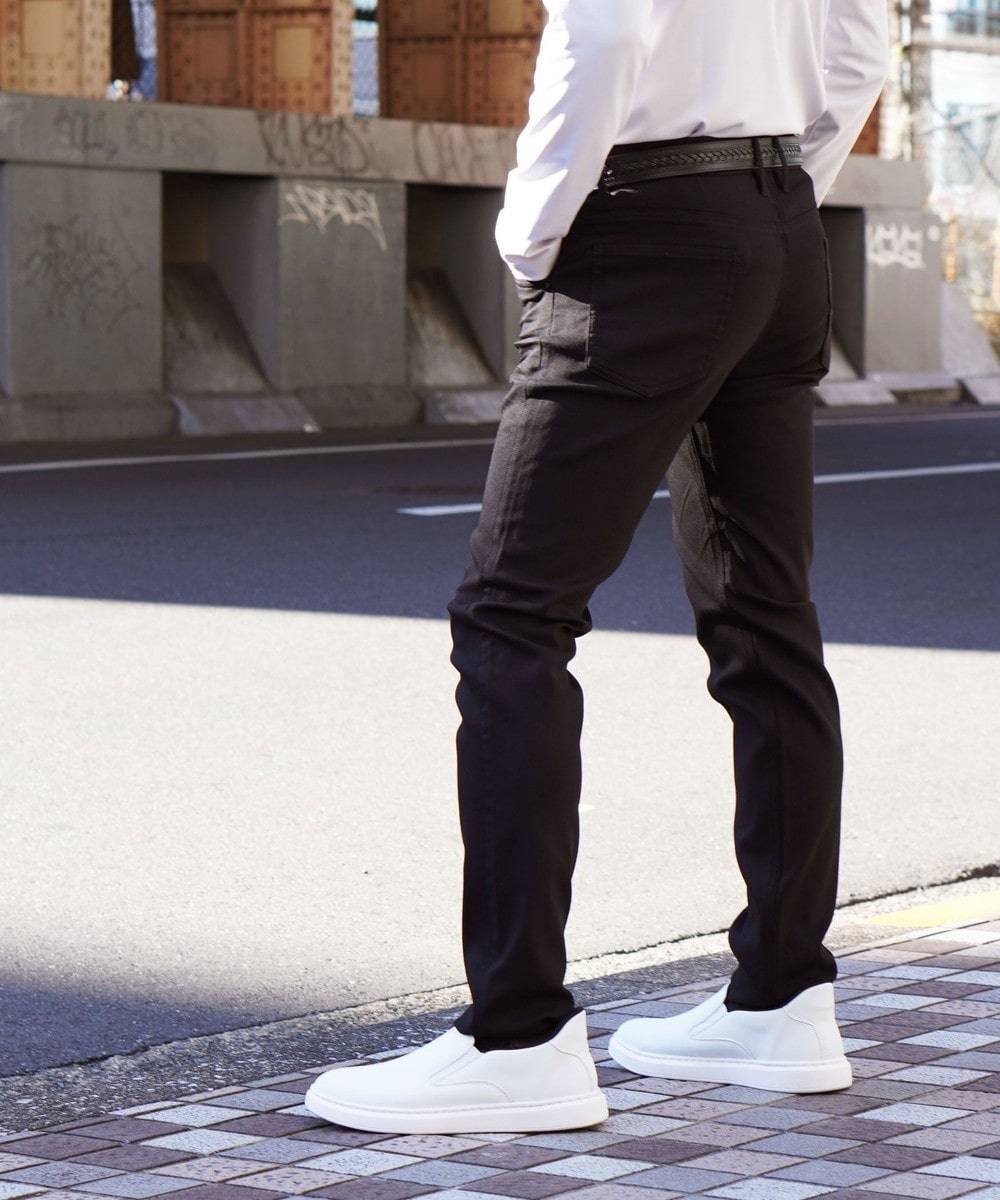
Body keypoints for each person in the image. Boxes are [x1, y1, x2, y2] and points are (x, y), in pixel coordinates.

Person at [306, 0, 890, 1135]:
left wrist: (533, 233)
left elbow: (609, 34)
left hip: (647, 224)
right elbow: (862, 42)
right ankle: (782, 1001)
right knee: (766, 618)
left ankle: (518, 1037)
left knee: (511, 618)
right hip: (778, 221)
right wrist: (777, 189)